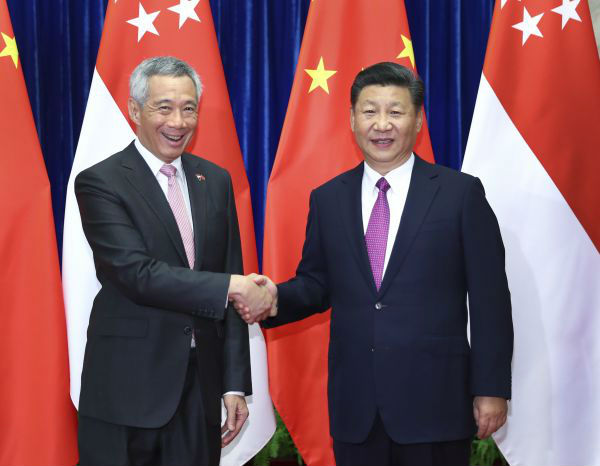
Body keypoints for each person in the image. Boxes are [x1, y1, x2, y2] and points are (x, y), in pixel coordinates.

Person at [239, 62, 513, 466]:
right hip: (357, 409)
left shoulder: (460, 194)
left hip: (435, 404)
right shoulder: (328, 198)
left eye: (395, 112)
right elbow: (317, 283)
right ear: (352, 119)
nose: (382, 124)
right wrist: (274, 297)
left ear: (417, 120)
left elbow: (491, 300)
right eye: (369, 111)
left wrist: (491, 387)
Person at [75, 56, 272, 466]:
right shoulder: (100, 182)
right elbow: (136, 274)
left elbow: (229, 271)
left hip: (200, 388)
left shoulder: (215, 180)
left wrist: (234, 384)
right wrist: (232, 286)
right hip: (127, 389)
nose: (178, 122)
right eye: (163, 108)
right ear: (135, 111)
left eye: (188, 108)